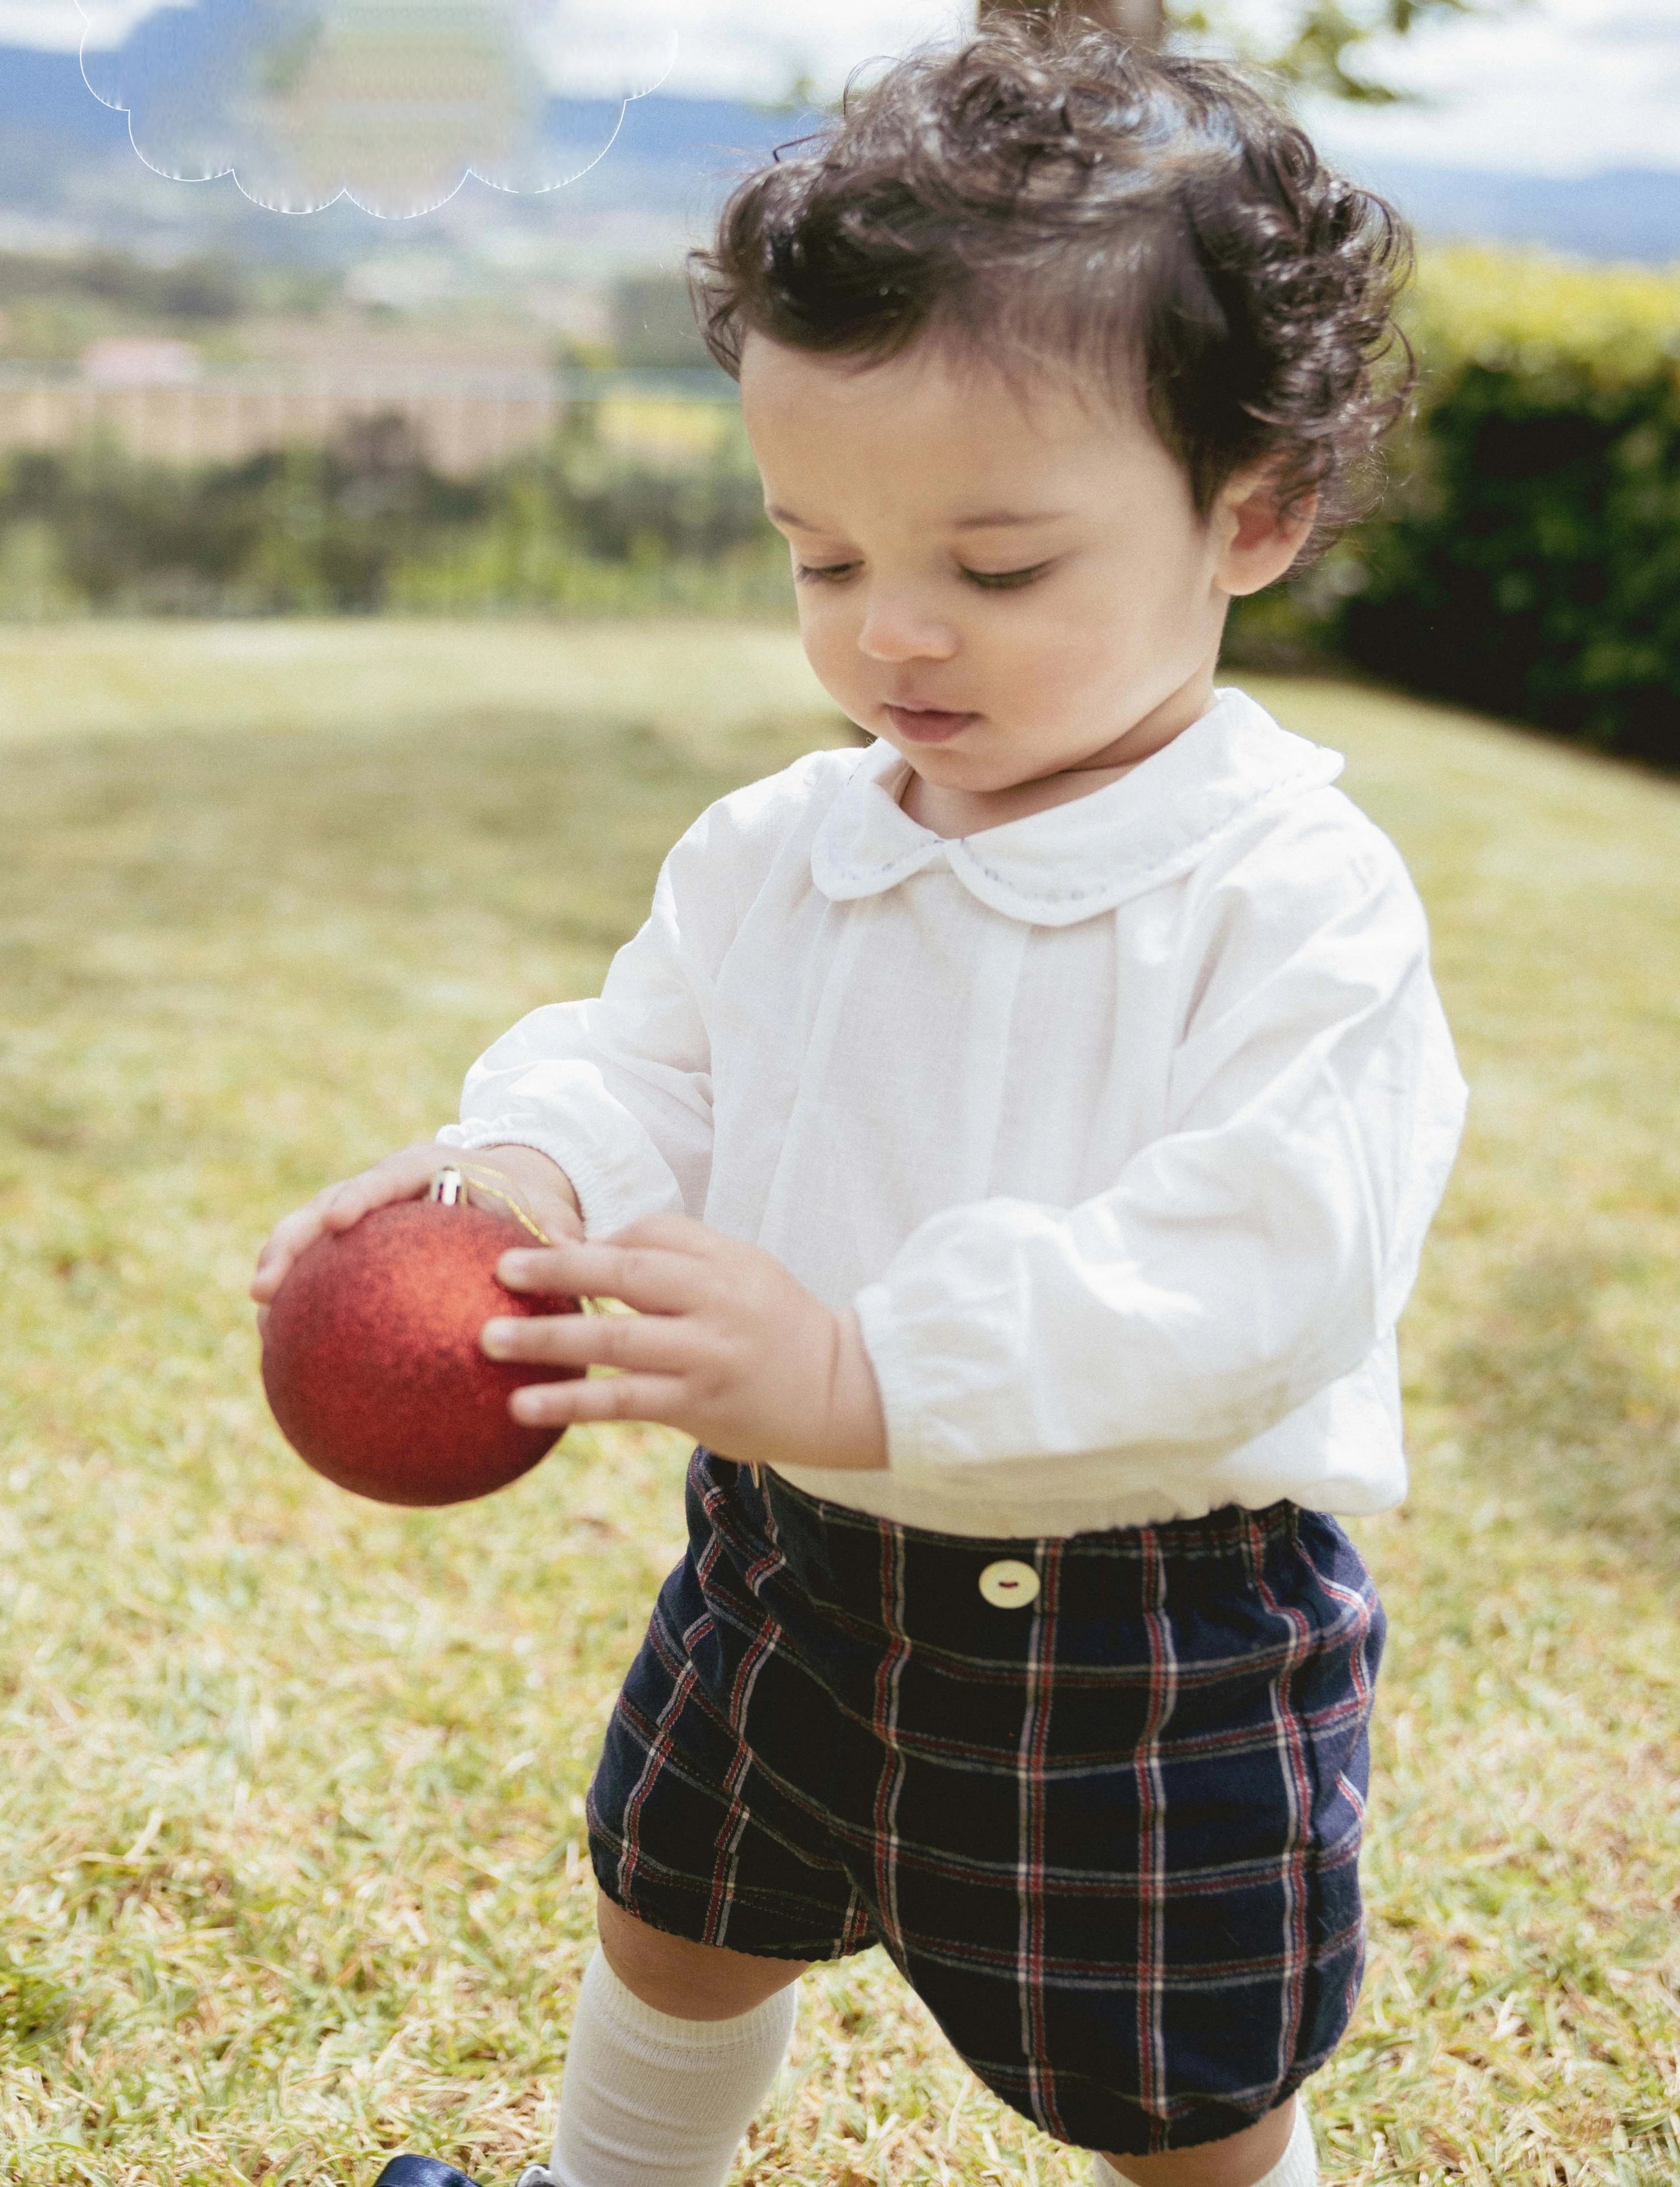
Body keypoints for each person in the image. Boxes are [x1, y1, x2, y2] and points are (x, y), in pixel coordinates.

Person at [252, 21, 1469, 2187]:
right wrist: (518, 1173)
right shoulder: (786, 845)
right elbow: (656, 1059)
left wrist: (863, 1359)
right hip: (787, 1562)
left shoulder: (1290, 896)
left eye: (997, 569)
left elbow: (1262, 1272)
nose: (893, 630)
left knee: (1181, 2084)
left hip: (1142, 1627)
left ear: (1253, 514)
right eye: (821, 557)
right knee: (681, 1905)